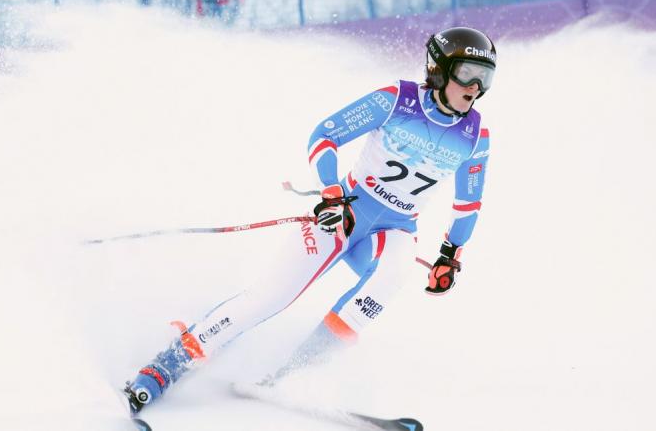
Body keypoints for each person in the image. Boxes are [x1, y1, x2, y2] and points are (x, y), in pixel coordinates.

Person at [123, 26, 496, 414]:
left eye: (485, 77)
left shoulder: (475, 135)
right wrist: (332, 192)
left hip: (396, 228)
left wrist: (450, 254)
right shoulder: (396, 100)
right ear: (439, 68)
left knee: (393, 275)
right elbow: (324, 137)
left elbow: (468, 204)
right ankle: (162, 369)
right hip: (347, 212)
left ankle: (292, 376)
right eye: (467, 73)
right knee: (269, 297)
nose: (475, 86)